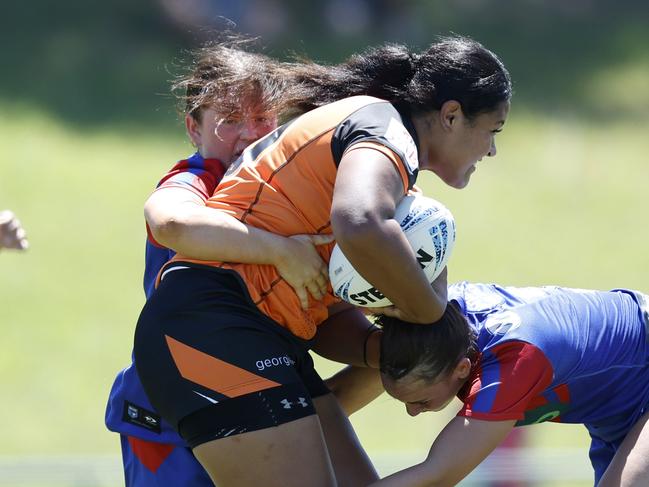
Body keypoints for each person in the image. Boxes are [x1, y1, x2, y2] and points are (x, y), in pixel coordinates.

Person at [133, 35, 512, 486]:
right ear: (451, 116)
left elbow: (325, 316)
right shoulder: (383, 129)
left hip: (266, 338)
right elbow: (360, 222)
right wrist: (429, 314)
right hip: (213, 326)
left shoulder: (390, 171)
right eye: (493, 130)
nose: (491, 150)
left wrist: (389, 349)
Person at [106, 42, 369, 486]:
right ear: (194, 128)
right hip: (168, 422)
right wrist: (280, 250)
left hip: (255, 388)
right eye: (228, 121)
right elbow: (169, 219)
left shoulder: (291, 195)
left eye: (263, 118)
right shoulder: (196, 180)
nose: (249, 133)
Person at [375, 282, 649, 487]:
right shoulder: (434, 325)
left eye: (420, 401)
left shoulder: (514, 359)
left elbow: (439, 473)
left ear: (462, 369)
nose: (411, 412)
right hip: (616, 414)